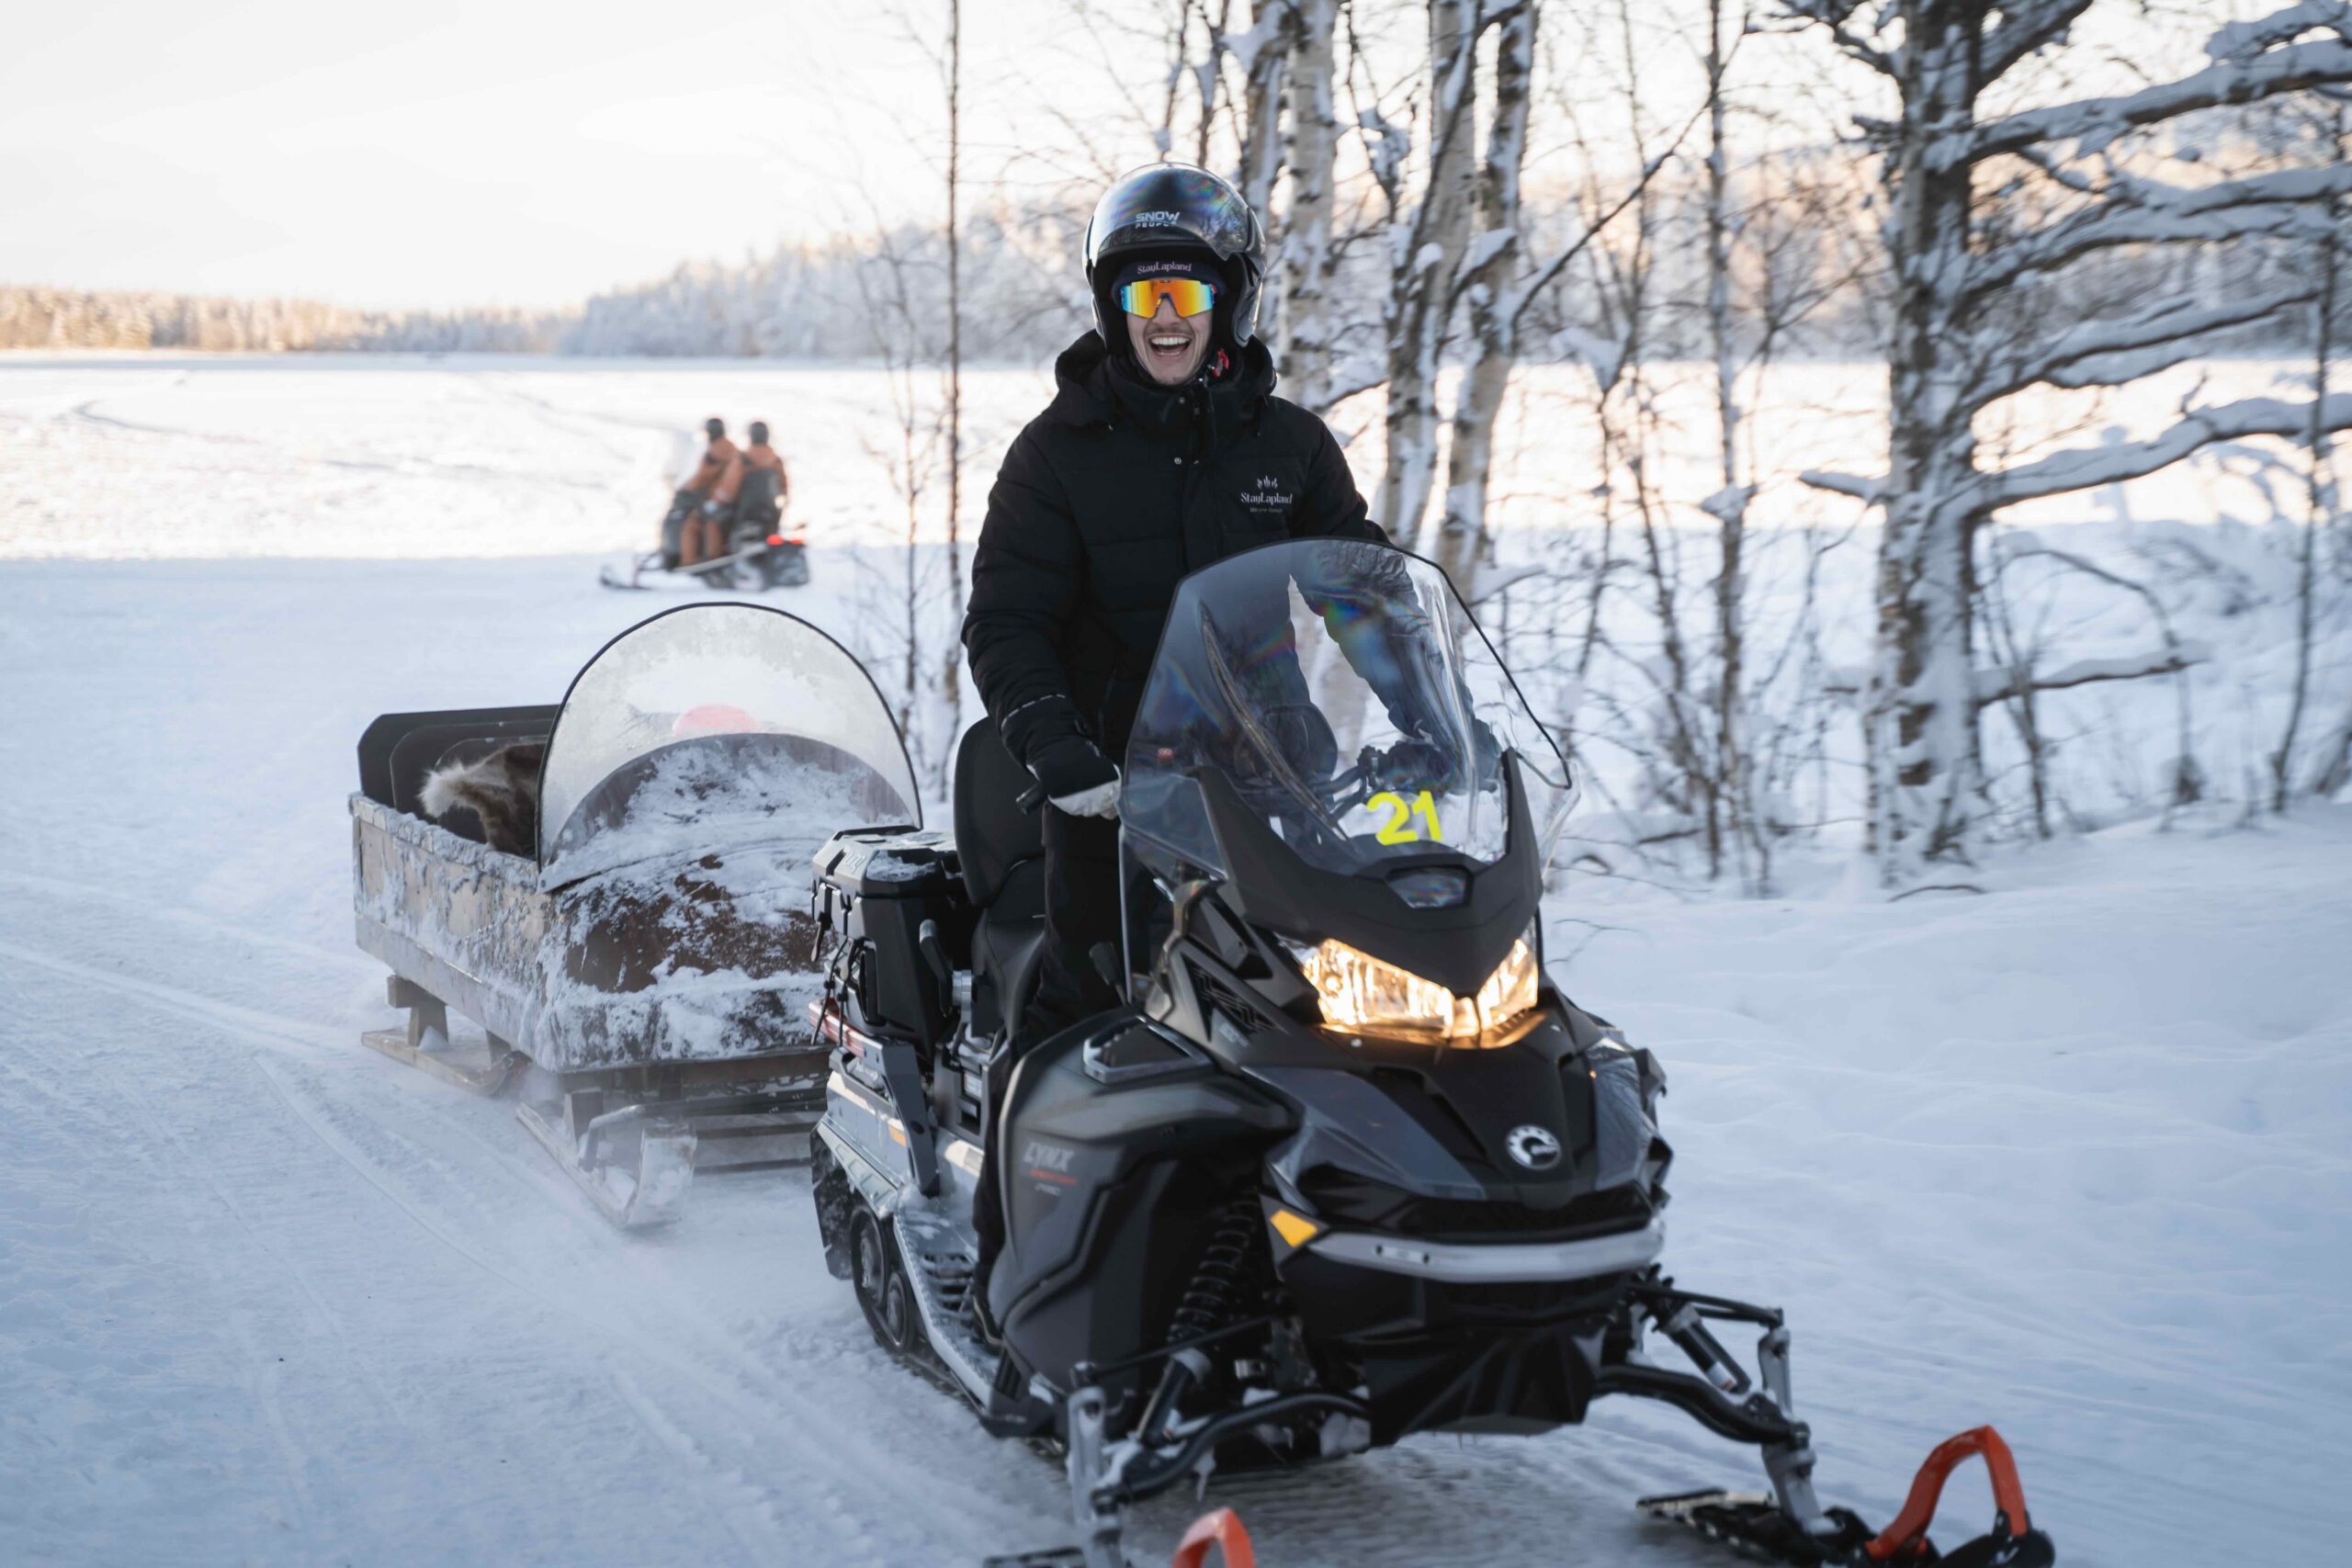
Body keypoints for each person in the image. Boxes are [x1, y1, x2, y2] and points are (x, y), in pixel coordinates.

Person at [963, 164, 1384, 1047]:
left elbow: (1361, 588)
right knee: (1090, 1020)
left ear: (1227, 300)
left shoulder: (1290, 446)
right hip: (1113, 800)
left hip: (1276, 780)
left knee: (1339, 1009)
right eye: (1142, 292)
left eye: (1185, 289)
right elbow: (1009, 621)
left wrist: (1430, 705)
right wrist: (1059, 751)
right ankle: (1010, 1180)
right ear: (1112, 307)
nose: (1163, 315)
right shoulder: (1054, 455)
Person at [679, 417, 740, 567]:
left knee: (692, 524)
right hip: (731, 498)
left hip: (718, 497)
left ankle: (690, 561)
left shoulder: (715, 451)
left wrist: (686, 488)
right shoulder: (732, 448)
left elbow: (703, 475)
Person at [715, 420, 790, 529]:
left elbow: (729, 488)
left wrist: (718, 501)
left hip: (743, 514)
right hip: (770, 515)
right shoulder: (776, 461)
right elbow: (784, 489)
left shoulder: (743, 459)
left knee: (712, 524)